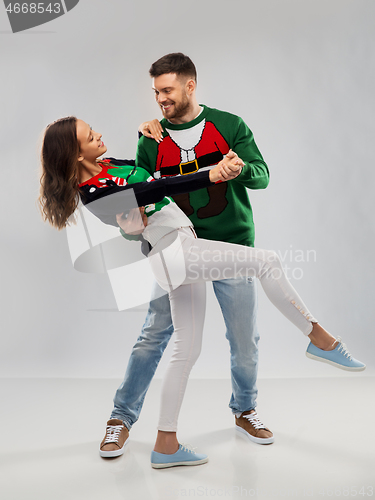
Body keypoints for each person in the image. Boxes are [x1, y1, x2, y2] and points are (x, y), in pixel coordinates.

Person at [39, 116, 365, 469]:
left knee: (186, 350)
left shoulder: (109, 165)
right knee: (267, 261)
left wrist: (143, 134)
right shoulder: (93, 193)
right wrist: (210, 174)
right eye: (90, 135)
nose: (99, 134)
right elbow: (152, 191)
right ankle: (320, 339)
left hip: (179, 247)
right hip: (172, 253)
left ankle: (166, 443)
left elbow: (148, 176)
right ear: (74, 154)